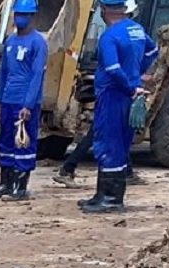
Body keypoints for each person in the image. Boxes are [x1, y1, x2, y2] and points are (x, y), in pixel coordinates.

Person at [53, 0, 142, 187]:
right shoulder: (118, 35)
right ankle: (70, 168)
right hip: (114, 89)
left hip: (110, 87)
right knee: (105, 130)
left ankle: (126, 171)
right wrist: (135, 82)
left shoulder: (113, 35)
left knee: (114, 129)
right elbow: (116, 67)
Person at [80, 0, 156, 213]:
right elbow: (152, 51)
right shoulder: (137, 30)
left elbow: (112, 69)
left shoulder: (109, 37)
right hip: (129, 95)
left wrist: (130, 86)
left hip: (113, 95)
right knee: (121, 144)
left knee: (108, 143)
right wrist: (137, 74)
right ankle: (103, 194)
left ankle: (111, 199)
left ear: (105, 11)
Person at [0, 0, 47, 201]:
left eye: (24, 15)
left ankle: (20, 188)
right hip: (8, 99)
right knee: (5, 142)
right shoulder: (10, 42)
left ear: (32, 16)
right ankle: (5, 183)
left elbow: (37, 75)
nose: (20, 18)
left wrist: (28, 105)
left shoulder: (38, 42)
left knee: (23, 143)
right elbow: (3, 73)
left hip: (25, 103)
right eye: (17, 14)